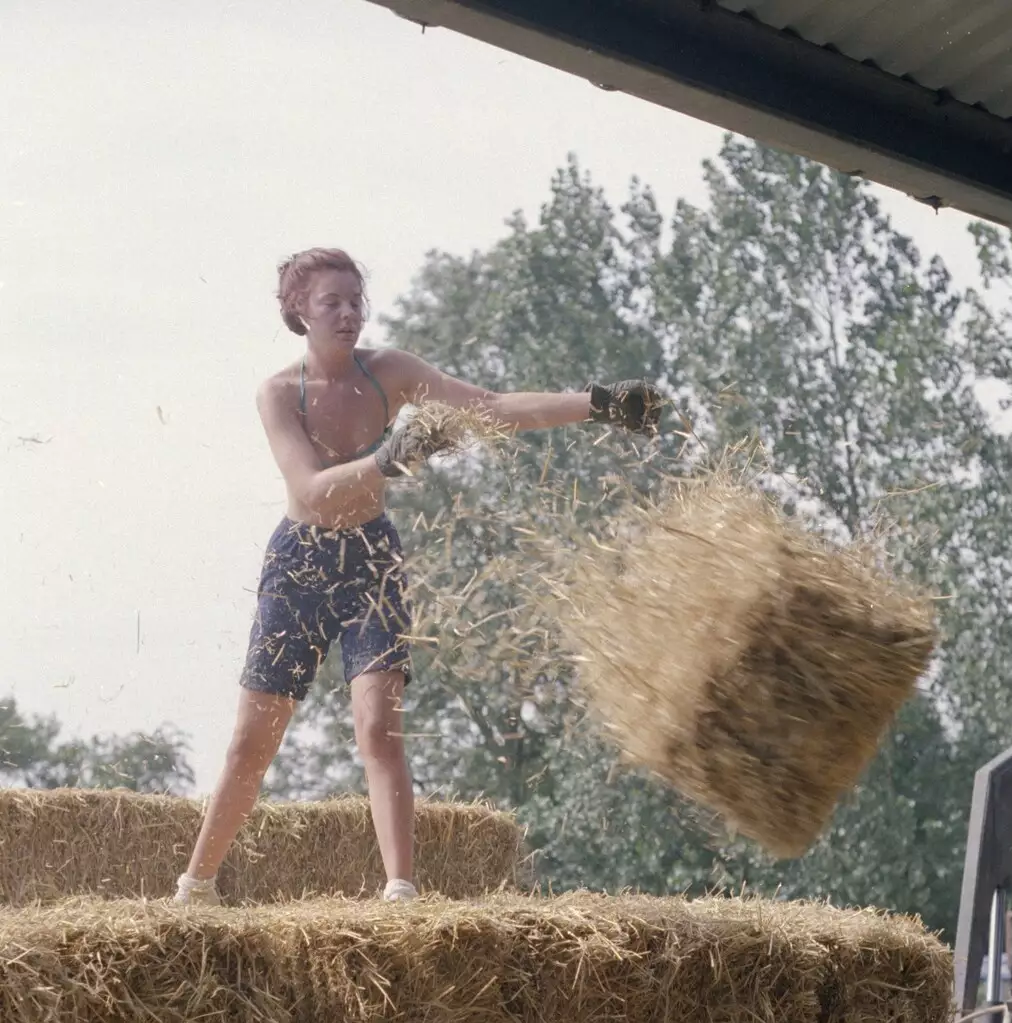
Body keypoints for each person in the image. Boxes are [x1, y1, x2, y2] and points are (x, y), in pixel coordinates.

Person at [175, 247, 664, 906]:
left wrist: (598, 403)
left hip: (372, 561)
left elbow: (489, 408)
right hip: (299, 564)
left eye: (355, 300)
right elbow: (313, 492)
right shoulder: (277, 394)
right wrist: (387, 461)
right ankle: (196, 885)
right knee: (250, 740)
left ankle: (400, 890)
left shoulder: (391, 372)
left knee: (378, 726)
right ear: (298, 311)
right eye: (332, 303)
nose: (349, 314)